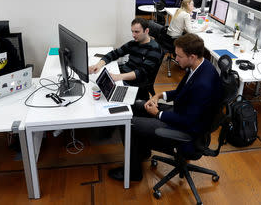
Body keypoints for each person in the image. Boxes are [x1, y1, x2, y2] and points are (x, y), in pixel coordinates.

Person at [108, 33, 222, 181]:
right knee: (135, 106)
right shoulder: (201, 65)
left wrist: (157, 113)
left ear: (192, 56)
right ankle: (140, 152)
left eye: (179, 56)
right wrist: (159, 96)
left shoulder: (203, 84)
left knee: (128, 124)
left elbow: (188, 121)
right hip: (182, 112)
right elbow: (181, 92)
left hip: (186, 129)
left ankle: (133, 173)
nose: (176, 59)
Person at [89, 17, 162, 99]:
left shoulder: (154, 49)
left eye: (137, 32)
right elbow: (115, 53)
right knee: (95, 82)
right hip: (123, 75)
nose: (133, 35)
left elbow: (141, 73)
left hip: (135, 83)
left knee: (103, 95)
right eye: (132, 31)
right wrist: (99, 65)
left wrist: (119, 77)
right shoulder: (134, 43)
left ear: (146, 31)